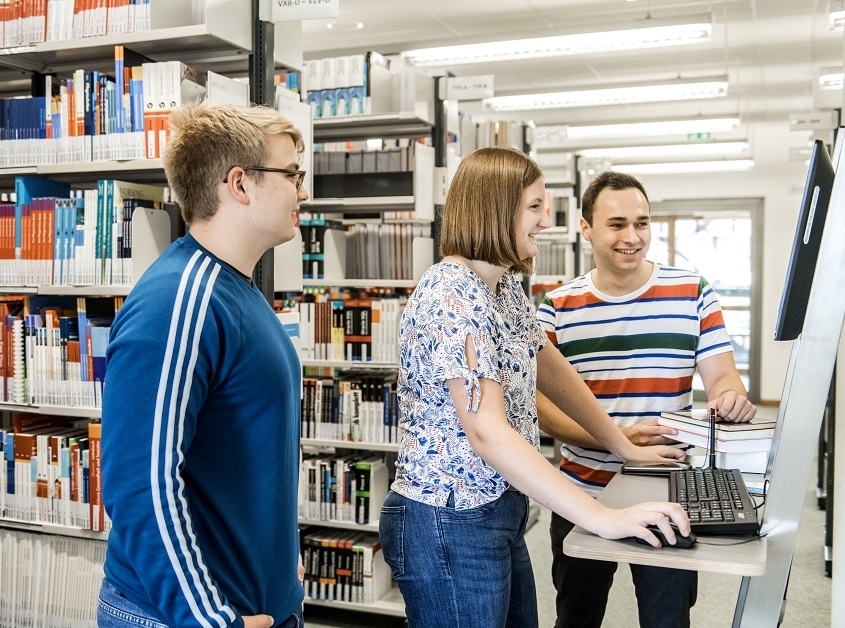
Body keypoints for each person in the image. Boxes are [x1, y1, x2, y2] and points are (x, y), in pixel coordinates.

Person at [378, 147, 691, 628]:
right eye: (534, 206)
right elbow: (487, 433)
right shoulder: (450, 295)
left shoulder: (502, 288)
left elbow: (552, 368)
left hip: (499, 507)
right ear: (496, 209)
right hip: (448, 522)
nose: (546, 220)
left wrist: (622, 445)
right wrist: (598, 515)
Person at [97, 100, 309, 628]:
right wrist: (208, 620)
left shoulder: (239, 289)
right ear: (239, 184)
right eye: (292, 174)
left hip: (256, 603)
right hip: (185, 617)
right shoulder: (178, 302)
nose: (302, 191)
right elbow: (140, 483)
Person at [536, 170, 757, 628]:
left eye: (642, 223)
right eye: (617, 224)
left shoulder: (692, 292)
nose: (632, 237)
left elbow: (723, 379)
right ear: (586, 228)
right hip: (583, 493)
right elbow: (542, 413)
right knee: (577, 617)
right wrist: (615, 439)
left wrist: (730, 398)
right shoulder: (556, 306)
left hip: (668, 493)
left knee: (667, 620)